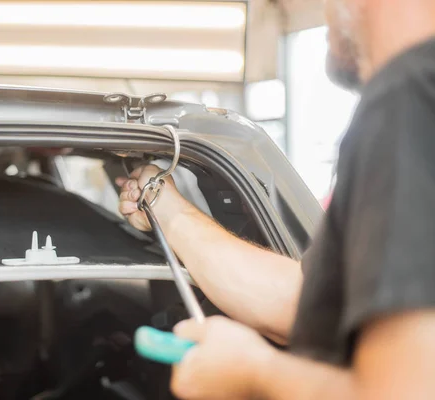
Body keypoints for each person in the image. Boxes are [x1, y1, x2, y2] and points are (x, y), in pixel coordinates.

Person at [116, 0, 435, 398]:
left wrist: (254, 372)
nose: (325, 14)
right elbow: (299, 303)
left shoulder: (408, 98)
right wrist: (164, 204)